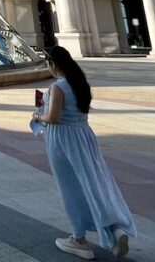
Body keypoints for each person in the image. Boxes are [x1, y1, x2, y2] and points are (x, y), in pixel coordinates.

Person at [33, 47, 136, 259]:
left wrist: (37, 116)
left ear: (53, 64)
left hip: (62, 140)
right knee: (93, 183)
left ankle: (78, 240)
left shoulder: (58, 87)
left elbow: (53, 118)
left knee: (70, 189)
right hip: (84, 136)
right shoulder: (80, 84)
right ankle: (115, 230)